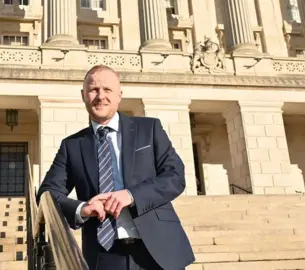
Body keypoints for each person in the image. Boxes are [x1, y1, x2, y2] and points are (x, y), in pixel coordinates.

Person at [36, 64, 195, 270]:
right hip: (104, 255)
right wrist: (82, 209)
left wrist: (131, 195)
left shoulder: (149, 129)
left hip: (158, 250)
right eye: (93, 89)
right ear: (83, 95)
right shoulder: (72, 146)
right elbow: (47, 194)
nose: (100, 96)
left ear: (119, 95)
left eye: (107, 90)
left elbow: (175, 176)